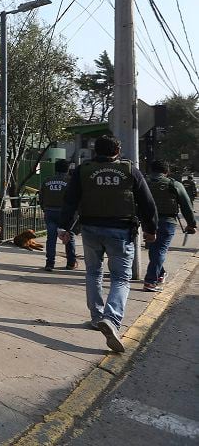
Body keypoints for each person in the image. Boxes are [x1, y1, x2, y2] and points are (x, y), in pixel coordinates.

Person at [58, 135, 157, 354]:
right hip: (121, 231)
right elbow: (147, 202)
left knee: (93, 273)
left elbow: (70, 200)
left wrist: (63, 227)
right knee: (120, 278)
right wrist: (151, 229)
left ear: (95, 151)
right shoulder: (129, 170)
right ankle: (111, 319)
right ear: (118, 151)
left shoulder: (84, 170)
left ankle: (97, 318)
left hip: (91, 230)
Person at [144, 160, 196, 292]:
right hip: (167, 221)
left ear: (151, 170)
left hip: (147, 221)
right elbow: (186, 205)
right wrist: (191, 224)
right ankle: (150, 281)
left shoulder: (144, 182)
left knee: (153, 249)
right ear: (167, 172)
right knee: (159, 250)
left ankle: (160, 274)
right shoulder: (174, 184)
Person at [39, 159, 78, 271]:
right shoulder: (70, 182)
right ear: (67, 169)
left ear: (55, 168)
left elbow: (41, 197)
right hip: (65, 213)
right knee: (68, 237)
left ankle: (50, 263)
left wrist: (44, 209)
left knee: (51, 238)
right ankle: (71, 262)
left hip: (50, 212)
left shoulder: (47, 181)